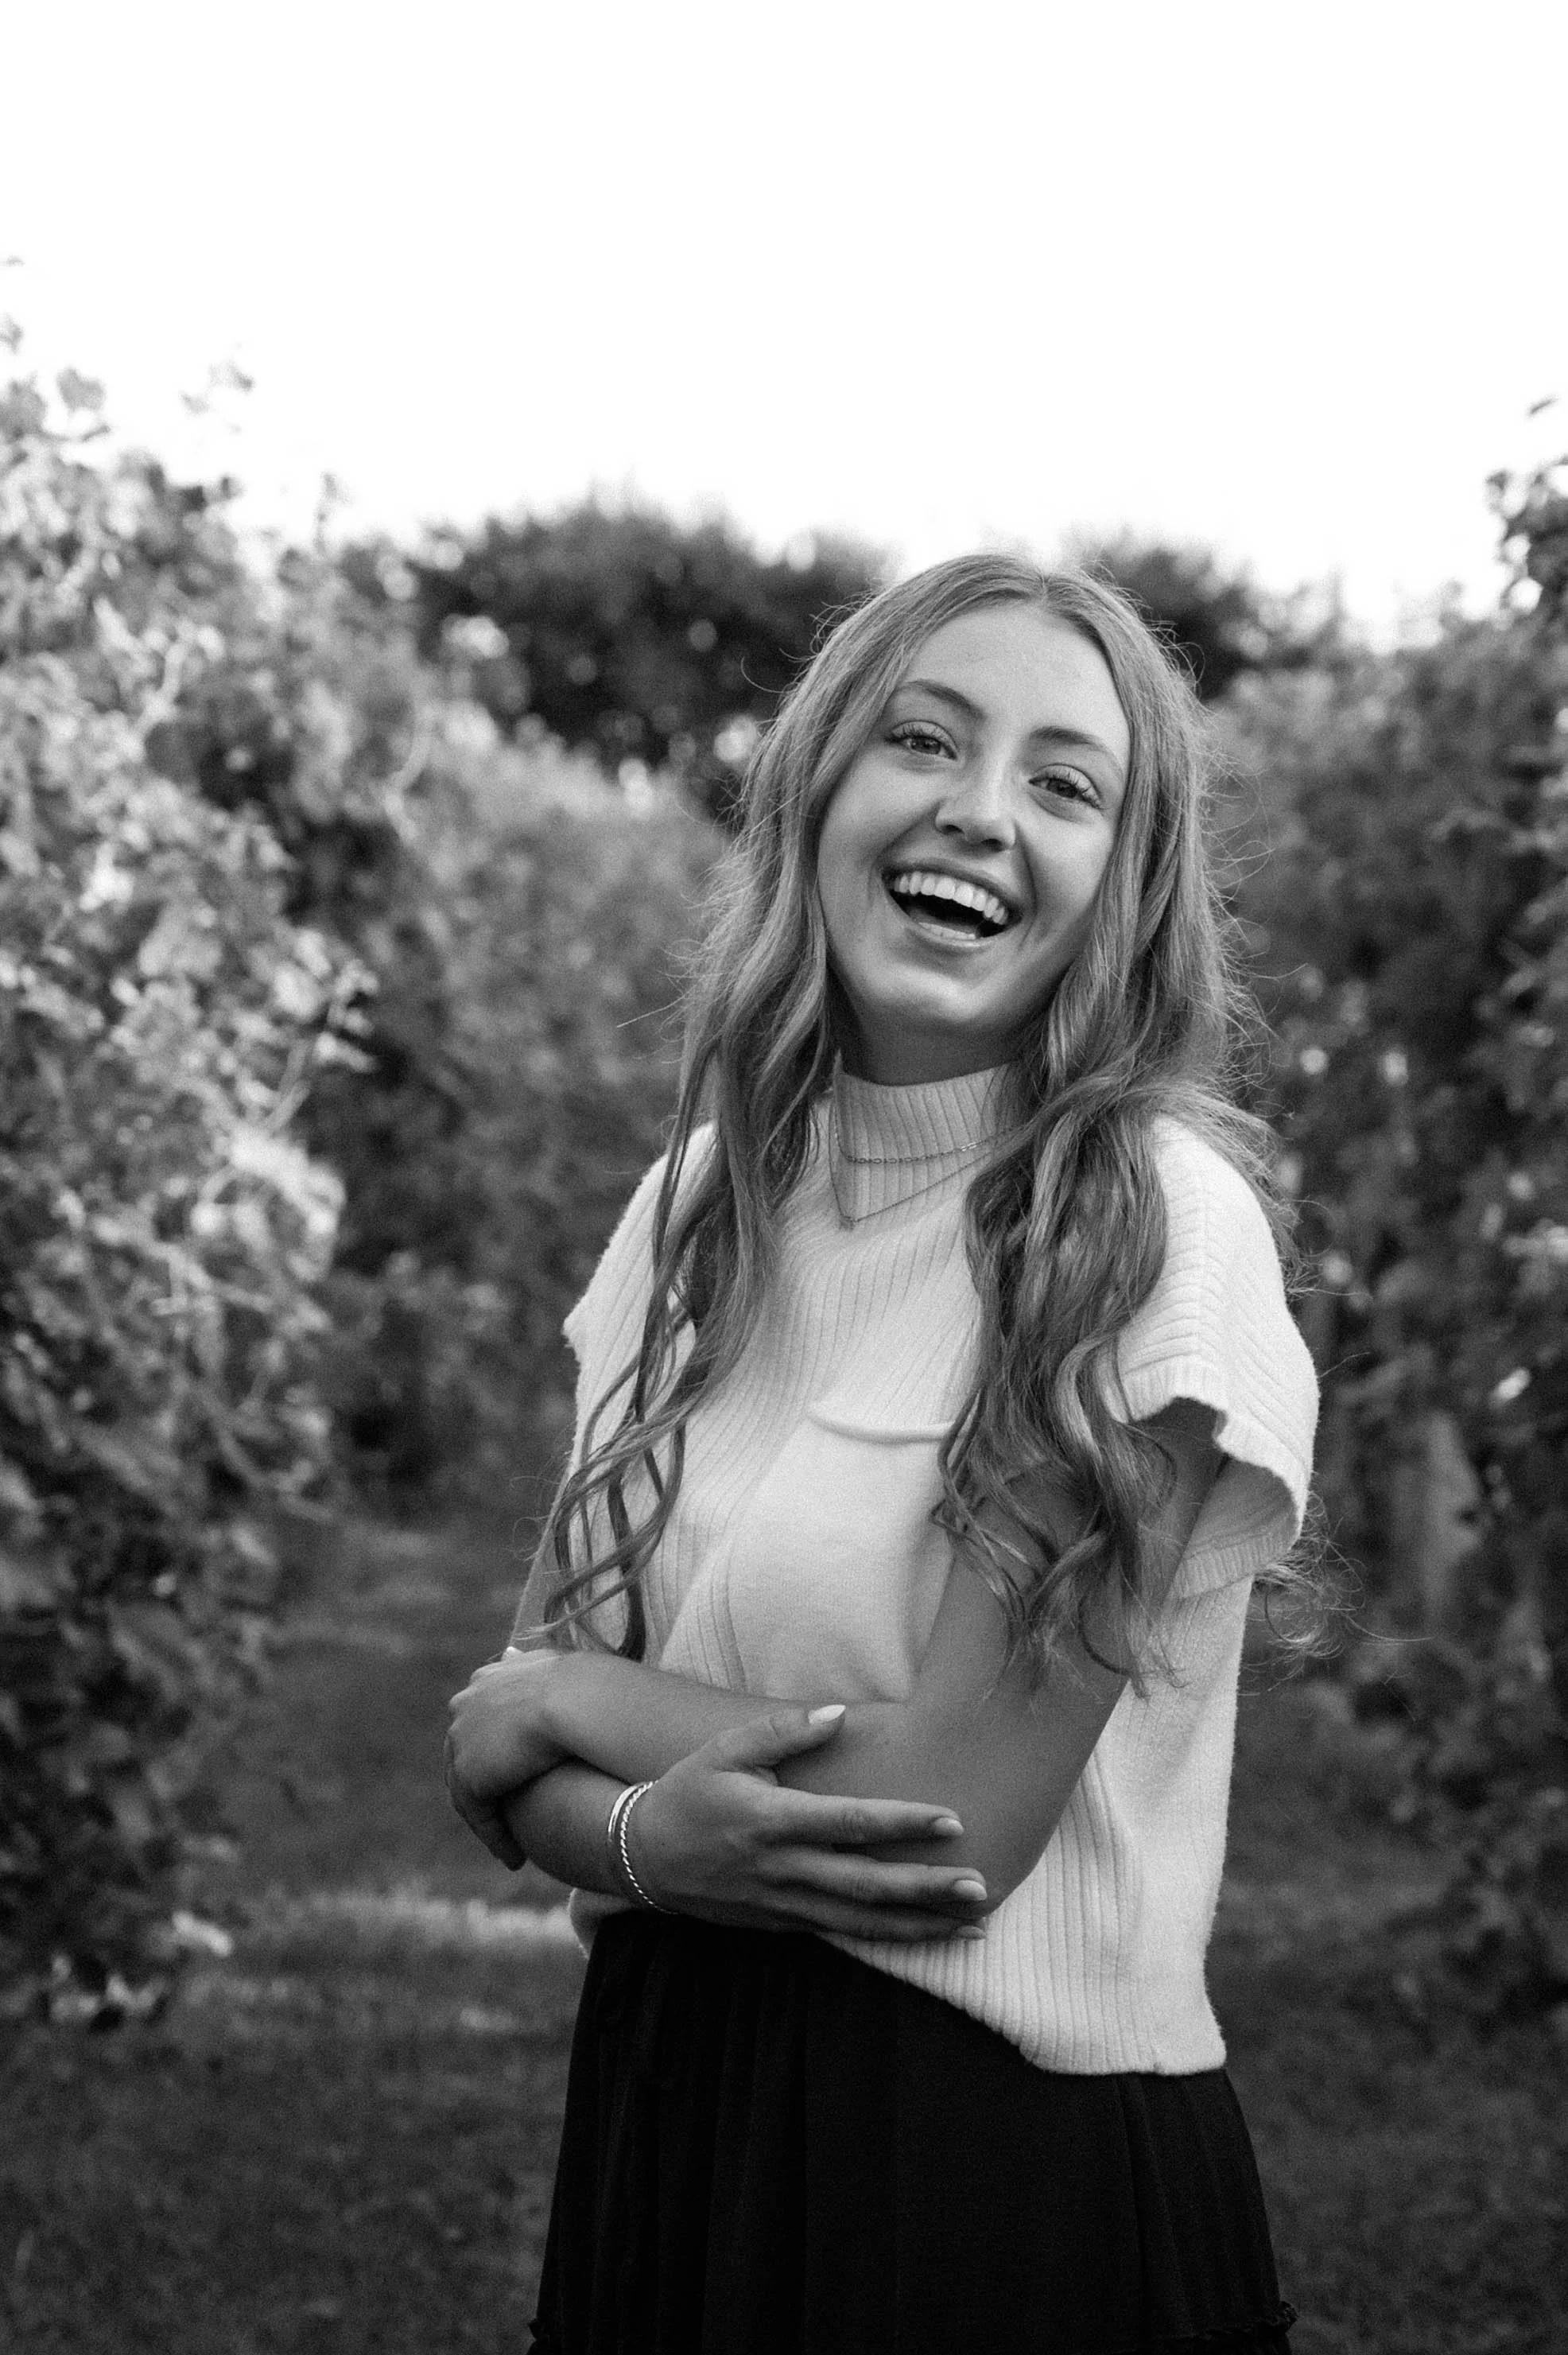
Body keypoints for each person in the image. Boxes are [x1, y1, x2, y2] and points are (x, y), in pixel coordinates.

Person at [446, 553, 1322, 2354]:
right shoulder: (699, 1209)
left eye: (1063, 784)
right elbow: (520, 1776)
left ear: (1121, 884)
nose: (978, 813)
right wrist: (633, 1831)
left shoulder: (1146, 1226)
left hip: (991, 2172)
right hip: (665, 2109)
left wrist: (565, 1711)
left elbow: (947, 1820)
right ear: (820, 787)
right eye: (923, 739)